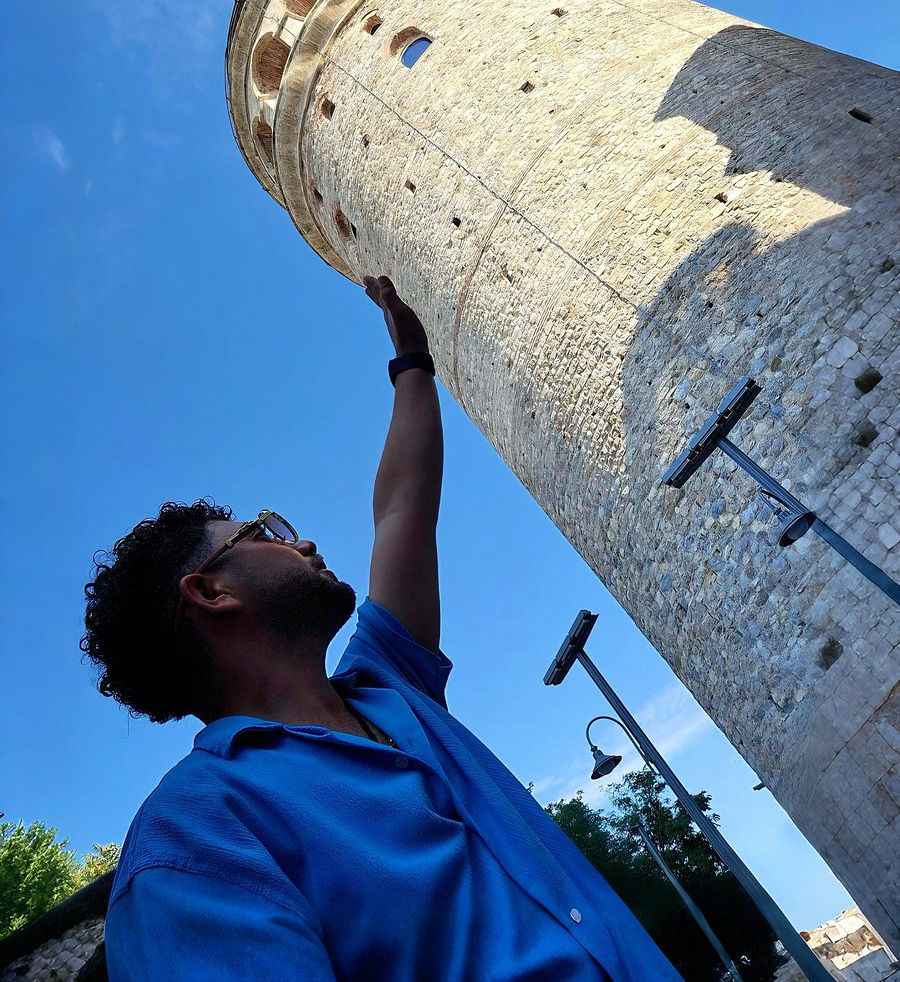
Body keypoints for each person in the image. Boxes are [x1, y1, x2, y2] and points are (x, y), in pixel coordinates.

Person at [83, 275, 683, 982]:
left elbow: (404, 507)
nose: (303, 541)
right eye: (266, 532)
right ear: (212, 592)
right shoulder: (194, 838)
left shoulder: (389, 686)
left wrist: (412, 364)